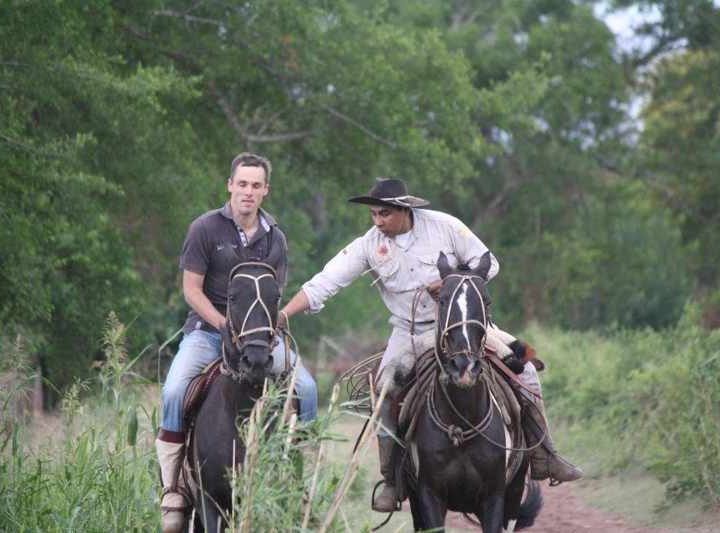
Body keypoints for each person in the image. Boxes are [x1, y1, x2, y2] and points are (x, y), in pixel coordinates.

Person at [279, 177, 581, 513]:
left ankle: (545, 456)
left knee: (524, 369)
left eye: (384, 214)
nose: (378, 221)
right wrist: (285, 313)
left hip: (465, 326)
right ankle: (392, 480)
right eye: (373, 214)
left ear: (404, 209)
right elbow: (326, 281)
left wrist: (453, 280)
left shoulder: (446, 226)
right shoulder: (369, 244)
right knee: (384, 391)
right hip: (408, 333)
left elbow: (489, 264)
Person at [156, 153, 318, 533]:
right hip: (208, 332)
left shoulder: (275, 238)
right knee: (174, 391)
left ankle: (298, 483)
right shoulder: (205, 229)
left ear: (266, 191)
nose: (248, 191)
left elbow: (272, 296)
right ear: (230, 185)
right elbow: (191, 290)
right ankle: (174, 490)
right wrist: (222, 323)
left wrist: (265, 330)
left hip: (258, 339)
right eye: (242, 184)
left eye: (256, 185)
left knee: (307, 388)